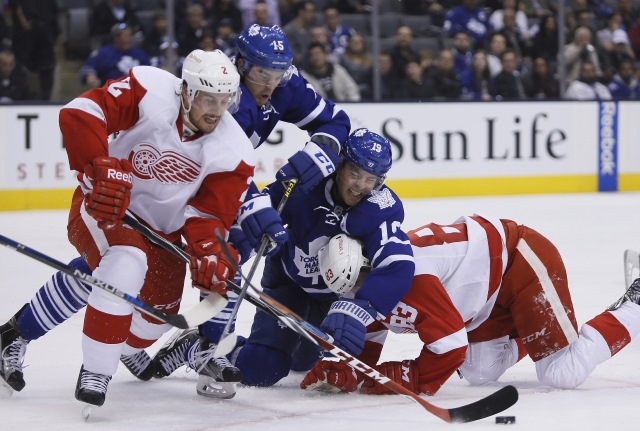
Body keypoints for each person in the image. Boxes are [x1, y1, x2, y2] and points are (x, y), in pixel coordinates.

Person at [0, 24, 351, 399]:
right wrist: (253, 204)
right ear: (241, 65)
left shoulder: (282, 87)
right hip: (144, 192)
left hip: (187, 201)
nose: (270, 84)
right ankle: (27, 333)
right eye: (262, 74)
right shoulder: (216, 103)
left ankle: (183, 344)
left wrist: (324, 149)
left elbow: (333, 122)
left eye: (277, 74)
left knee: (212, 265)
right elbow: (88, 112)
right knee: (123, 262)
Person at [0, 49, 255, 407]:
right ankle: (97, 372)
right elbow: (82, 111)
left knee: (153, 324)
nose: (216, 109)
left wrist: (210, 251)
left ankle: (14, 335)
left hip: (162, 237)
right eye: (208, 98)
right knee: (125, 261)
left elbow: (208, 215)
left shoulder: (235, 150)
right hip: (106, 205)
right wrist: (98, 167)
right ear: (186, 91)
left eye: (224, 99)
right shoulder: (150, 89)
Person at [155, 128, 415, 391]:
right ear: (340, 165)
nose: (360, 186)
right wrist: (236, 251)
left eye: (370, 179)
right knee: (263, 368)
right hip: (287, 285)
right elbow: (257, 212)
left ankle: (292, 346)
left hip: (334, 298)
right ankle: (194, 347)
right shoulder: (306, 184)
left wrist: (362, 307)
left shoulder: (381, 209)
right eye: (354, 173)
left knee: (304, 362)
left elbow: (397, 263)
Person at [300, 216, 640, 397]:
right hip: (483, 300)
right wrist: (341, 370)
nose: (360, 293)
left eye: (359, 280)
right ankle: (530, 331)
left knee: (561, 373)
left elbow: (450, 344)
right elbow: (365, 353)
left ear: (366, 262)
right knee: (479, 372)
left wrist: (409, 377)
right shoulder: (368, 283)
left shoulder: (409, 275)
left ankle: (636, 303)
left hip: (520, 262)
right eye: (349, 290)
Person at [80, 23, 151, 88]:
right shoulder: (103, 53)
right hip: (110, 93)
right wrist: (90, 76)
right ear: (116, 38)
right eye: (126, 36)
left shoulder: (139, 53)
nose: (129, 39)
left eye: (130, 36)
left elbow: (150, 69)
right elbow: (88, 68)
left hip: (137, 93)